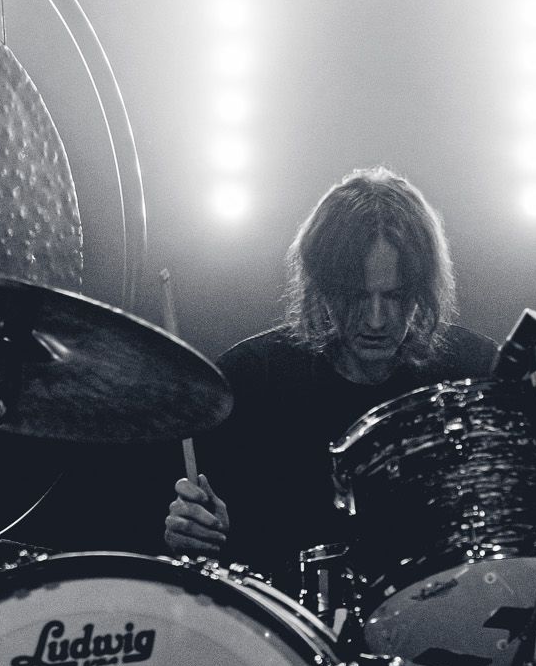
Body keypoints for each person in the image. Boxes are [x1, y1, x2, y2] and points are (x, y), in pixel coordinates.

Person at [164, 166, 495, 596]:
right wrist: (193, 532)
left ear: (422, 290)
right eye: (356, 296)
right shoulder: (249, 381)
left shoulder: (472, 373)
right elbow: (206, 544)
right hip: (285, 630)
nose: (376, 319)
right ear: (320, 287)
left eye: (395, 296)